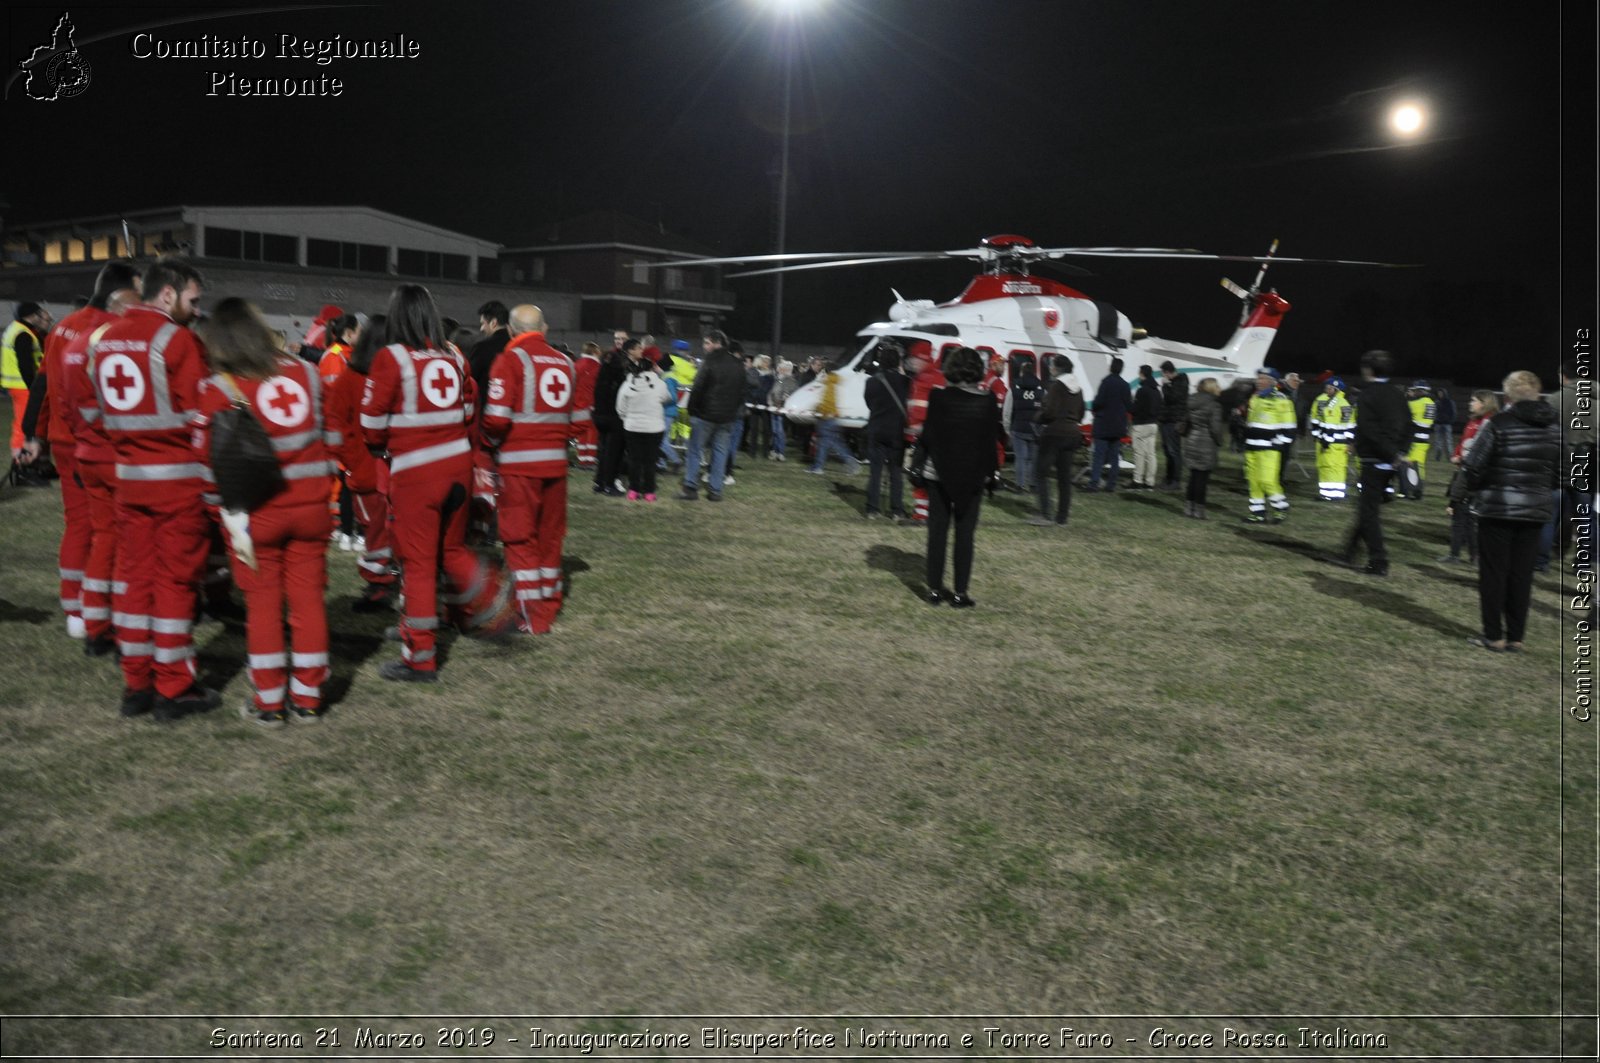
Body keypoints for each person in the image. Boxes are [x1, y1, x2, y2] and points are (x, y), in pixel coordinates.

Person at [89, 257, 220, 719]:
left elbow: (97, 410)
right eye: (192, 299)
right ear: (168, 294)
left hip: (129, 481)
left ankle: (136, 683)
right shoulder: (176, 340)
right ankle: (174, 687)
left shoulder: (104, 340)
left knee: (133, 583)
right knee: (174, 586)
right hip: (176, 484)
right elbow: (199, 420)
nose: (196, 309)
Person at [193, 299, 334, 727]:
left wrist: (219, 510)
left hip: (255, 516)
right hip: (310, 506)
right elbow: (329, 433)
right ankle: (308, 696)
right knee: (308, 602)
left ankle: (269, 699)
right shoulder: (308, 373)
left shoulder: (219, 388)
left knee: (263, 606)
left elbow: (207, 462)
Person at [362, 283, 510, 680]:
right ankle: (476, 602)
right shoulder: (455, 354)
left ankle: (420, 656)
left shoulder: (391, 358)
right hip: (457, 469)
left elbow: (372, 423)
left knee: (419, 565)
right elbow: (466, 410)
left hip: (416, 476)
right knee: (451, 550)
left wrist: (384, 447)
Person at [21, 263, 142, 641]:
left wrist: (33, 435)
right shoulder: (114, 333)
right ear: (121, 294)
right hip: (98, 442)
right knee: (111, 529)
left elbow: (43, 385)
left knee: (79, 524)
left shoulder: (61, 327)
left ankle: (75, 605)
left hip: (64, 440)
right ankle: (103, 608)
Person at [480, 304, 575, 633]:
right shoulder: (566, 362)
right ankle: (547, 607)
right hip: (557, 466)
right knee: (550, 538)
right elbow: (576, 421)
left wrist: (488, 441)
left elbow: (495, 419)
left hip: (520, 467)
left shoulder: (510, 360)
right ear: (543, 329)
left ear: (510, 329)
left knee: (519, 539)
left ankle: (528, 613)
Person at [1461, 370, 1560, 651]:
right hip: (1535, 509)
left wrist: (1478, 487)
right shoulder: (1554, 427)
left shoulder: (1498, 424)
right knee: (1521, 574)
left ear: (1507, 396)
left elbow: (1473, 466)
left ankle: (1494, 635)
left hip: (1497, 508)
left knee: (1494, 573)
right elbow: (1564, 472)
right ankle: (1516, 636)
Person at [919, 347, 1004, 608]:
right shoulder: (987, 400)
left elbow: (929, 435)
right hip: (972, 474)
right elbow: (990, 441)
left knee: (937, 532)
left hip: (939, 471)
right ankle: (960, 593)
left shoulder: (938, 397)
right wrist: (992, 473)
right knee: (965, 535)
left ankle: (934, 589)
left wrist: (917, 465)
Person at [324, 314, 397, 611]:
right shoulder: (371, 377)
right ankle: (383, 586)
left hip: (369, 471)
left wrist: (350, 461)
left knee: (377, 534)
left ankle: (380, 587)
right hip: (384, 470)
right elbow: (336, 427)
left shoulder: (350, 378)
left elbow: (334, 426)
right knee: (385, 533)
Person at [1334, 350, 1413, 577]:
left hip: (1375, 460)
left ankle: (1379, 561)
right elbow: (1410, 426)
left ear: (1368, 370)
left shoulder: (1369, 394)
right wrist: (1401, 453)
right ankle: (1349, 552)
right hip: (1391, 461)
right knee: (1368, 509)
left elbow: (1370, 430)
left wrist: (1391, 455)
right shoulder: (1397, 394)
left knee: (1369, 513)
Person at [678, 329, 744, 501]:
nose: (704, 347)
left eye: (707, 343)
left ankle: (691, 487)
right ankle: (715, 491)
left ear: (716, 343)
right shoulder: (737, 364)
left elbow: (698, 388)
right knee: (720, 453)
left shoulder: (709, 362)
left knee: (694, 451)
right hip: (727, 417)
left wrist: (692, 410)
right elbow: (741, 392)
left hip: (705, 415)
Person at [1440, 389, 1499, 564]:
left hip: (1474, 474)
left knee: (1465, 515)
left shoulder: (1489, 422)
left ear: (1484, 403)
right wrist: (1457, 455)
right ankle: (1467, 555)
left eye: (1474, 400)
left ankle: (1465, 555)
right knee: (1462, 513)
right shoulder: (1474, 421)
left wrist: (1463, 458)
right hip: (1465, 470)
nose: (1470, 403)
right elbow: (1463, 442)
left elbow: (1481, 450)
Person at [1029, 354, 1084, 527]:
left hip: (1054, 434)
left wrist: (1038, 417)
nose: (1050, 368)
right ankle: (1062, 517)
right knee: (1064, 477)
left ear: (1058, 369)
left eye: (1052, 366)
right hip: (1072, 433)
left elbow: (1050, 412)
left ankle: (1046, 515)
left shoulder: (1056, 387)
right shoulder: (1078, 388)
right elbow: (1081, 413)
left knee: (1040, 473)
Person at [616, 338, 671, 501]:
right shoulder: (659, 384)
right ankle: (649, 492)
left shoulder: (628, 383)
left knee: (634, 460)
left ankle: (633, 490)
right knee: (650, 460)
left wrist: (627, 418)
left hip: (633, 427)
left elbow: (620, 406)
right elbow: (666, 398)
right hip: (654, 427)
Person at [1242, 367, 1296, 523]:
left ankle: (1281, 507)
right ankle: (1257, 513)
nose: (1259, 381)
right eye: (1258, 378)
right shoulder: (1255, 398)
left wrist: (1278, 443)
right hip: (1252, 446)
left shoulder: (1281, 399)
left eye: (1263, 378)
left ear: (1273, 382)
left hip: (1269, 449)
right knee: (1254, 481)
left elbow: (1290, 428)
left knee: (1267, 481)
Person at [863, 344, 909, 520]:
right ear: (898, 362)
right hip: (897, 430)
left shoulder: (871, 381)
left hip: (877, 428)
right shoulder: (906, 382)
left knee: (875, 471)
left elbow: (869, 403)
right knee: (896, 472)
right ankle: (897, 509)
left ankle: (872, 508)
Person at [5, 301, 53, 459]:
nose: (43, 318)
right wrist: (34, 388)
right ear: (33, 316)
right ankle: (21, 464)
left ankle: (25, 461)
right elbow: (25, 364)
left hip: (19, 385)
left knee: (23, 423)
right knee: (24, 425)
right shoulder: (23, 333)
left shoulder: (19, 329)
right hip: (23, 386)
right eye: (40, 315)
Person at [904, 341, 945, 521]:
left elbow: (922, 410)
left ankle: (922, 514)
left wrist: (915, 429)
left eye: (914, 359)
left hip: (926, 436)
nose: (912, 363)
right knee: (923, 475)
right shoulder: (932, 377)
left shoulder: (926, 379)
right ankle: (925, 513)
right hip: (930, 435)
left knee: (920, 475)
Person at [1182, 377, 1226, 518]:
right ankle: (1199, 510)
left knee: (1193, 476)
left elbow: (1187, 422)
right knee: (1202, 479)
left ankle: (1189, 508)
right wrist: (1219, 441)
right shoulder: (1214, 405)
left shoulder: (1192, 401)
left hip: (1192, 441)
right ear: (1212, 388)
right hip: (1206, 444)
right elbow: (1215, 428)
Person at [1087, 357, 1131, 492]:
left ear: (1111, 367)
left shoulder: (1106, 382)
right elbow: (1128, 405)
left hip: (1103, 424)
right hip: (1117, 425)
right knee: (1114, 456)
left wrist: (1095, 408)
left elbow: (1098, 402)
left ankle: (1094, 483)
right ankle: (1111, 485)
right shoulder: (1125, 385)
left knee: (1098, 456)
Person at [591, 342, 628, 496]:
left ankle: (599, 482)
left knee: (604, 451)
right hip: (613, 418)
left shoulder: (602, 374)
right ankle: (609, 484)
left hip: (599, 418)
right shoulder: (618, 377)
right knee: (613, 454)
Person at [809, 365, 860, 475]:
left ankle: (850, 463)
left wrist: (818, 409)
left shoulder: (829, 383)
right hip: (832, 418)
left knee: (831, 444)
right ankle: (817, 466)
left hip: (827, 418)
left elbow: (828, 403)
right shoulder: (834, 382)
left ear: (826, 371)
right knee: (828, 443)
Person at [1311, 377, 1355, 501]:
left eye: (1328, 388)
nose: (1326, 390)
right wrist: (1350, 442)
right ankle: (1337, 494)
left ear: (1335, 389)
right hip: (1342, 443)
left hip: (1332, 443)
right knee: (1339, 468)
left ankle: (1328, 494)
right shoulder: (1345, 403)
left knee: (1328, 467)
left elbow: (1330, 426)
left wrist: (1326, 442)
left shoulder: (1333, 404)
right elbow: (1350, 425)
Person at [1007, 359, 1045, 492]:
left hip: (1018, 428)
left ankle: (1020, 485)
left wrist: (1008, 428)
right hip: (1035, 429)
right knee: (1033, 459)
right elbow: (1045, 410)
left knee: (1020, 458)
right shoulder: (1041, 388)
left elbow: (1008, 409)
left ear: (1022, 372)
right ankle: (1033, 485)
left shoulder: (1014, 386)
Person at [1157, 359, 1189, 490]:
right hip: (1166, 420)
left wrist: (1165, 386)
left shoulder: (1181, 382)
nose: (1164, 377)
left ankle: (1175, 480)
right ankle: (1169, 478)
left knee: (1173, 451)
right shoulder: (1174, 383)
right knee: (1167, 451)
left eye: (1164, 374)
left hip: (1174, 421)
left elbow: (1172, 399)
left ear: (1168, 372)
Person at [1128, 364, 1161, 489]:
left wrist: (1130, 404)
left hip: (1141, 425)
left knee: (1139, 453)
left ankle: (1137, 480)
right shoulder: (1156, 390)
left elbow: (1135, 408)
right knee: (1151, 454)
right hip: (1153, 424)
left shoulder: (1142, 390)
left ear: (1142, 374)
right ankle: (1150, 482)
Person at [570, 341, 602, 469]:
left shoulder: (577, 365)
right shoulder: (597, 366)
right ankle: (590, 459)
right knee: (592, 433)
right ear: (595, 351)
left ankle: (582, 459)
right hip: (591, 404)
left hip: (577, 404)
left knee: (581, 433)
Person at [1404, 380, 1437, 497]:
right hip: (1425, 438)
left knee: (1409, 464)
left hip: (1414, 438)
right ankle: (1419, 489)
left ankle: (1411, 489)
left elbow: (1403, 412)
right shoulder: (1431, 403)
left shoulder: (1416, 403)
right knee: (1420, 465)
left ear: (1419, 390)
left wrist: (1408, 397)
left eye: (1415, 390)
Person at [768, 359, 797, 461]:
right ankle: (775, 451)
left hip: (783, 410)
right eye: (779, 368)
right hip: (774, 409)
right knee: (775, 431)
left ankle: (780, 452)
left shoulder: (791, 381)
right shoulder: (778, 380)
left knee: (780, 432)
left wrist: (781, 403)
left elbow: (789, 395)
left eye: (780, 368)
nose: (778, 369)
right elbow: (771, 393)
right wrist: (771, 403)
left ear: (786, 369)